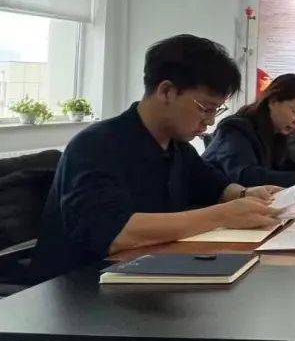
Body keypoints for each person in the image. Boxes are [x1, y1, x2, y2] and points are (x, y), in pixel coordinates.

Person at [31, 35, 281, 282]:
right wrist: (221, 215)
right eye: (205, 108)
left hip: (144, 274)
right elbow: (115, 233)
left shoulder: (177, 147)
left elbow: (216, 187)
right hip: (78, 288)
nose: (210, 120)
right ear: (166, 91)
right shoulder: (95, 146)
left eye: (216, 110)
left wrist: (246, 194)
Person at [203, 73, 295, 187]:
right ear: (273, 101)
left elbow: (278, 171)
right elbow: (246, 176)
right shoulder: (236, 128)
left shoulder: (277, 133)